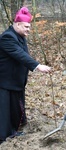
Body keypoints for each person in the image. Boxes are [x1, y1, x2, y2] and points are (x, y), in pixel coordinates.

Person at [0, 7, 51, 144]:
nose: (29, 29)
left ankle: (12, 132)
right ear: (17, 24)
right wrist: (37, 65)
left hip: (16, 81)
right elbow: (20, 55)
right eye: (26, 27)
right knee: (4, 111)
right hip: (4, 82)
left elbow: (23, 55)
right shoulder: (7, 37)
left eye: (29, 27)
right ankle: (2, 138)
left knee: (14, 109)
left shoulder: (20, 36)